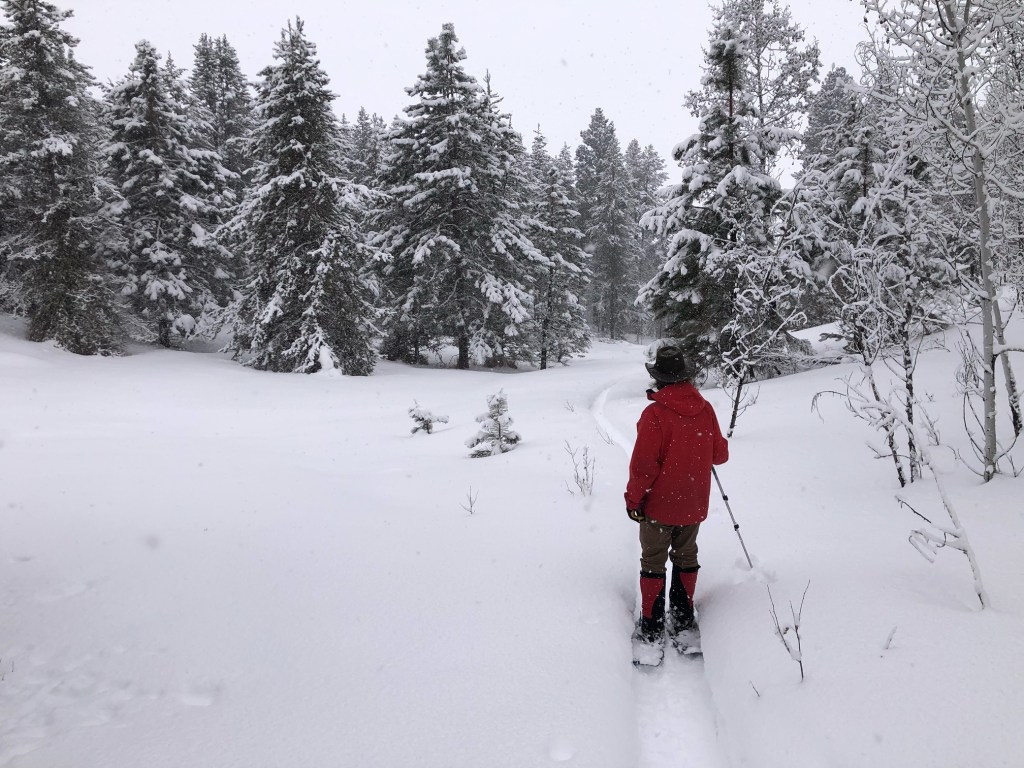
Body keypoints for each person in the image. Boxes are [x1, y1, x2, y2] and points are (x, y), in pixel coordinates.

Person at [624, 342, 729, 647]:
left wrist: (633, 501)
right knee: (686, 555)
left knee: (653, 561)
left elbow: (644, 467)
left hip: (658, 506)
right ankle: (682, 619)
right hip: (693, 504)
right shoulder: (705, 409)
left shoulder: (655, 414)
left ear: (658, 377)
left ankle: (652, 626)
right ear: (685, 375)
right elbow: (720, 455)